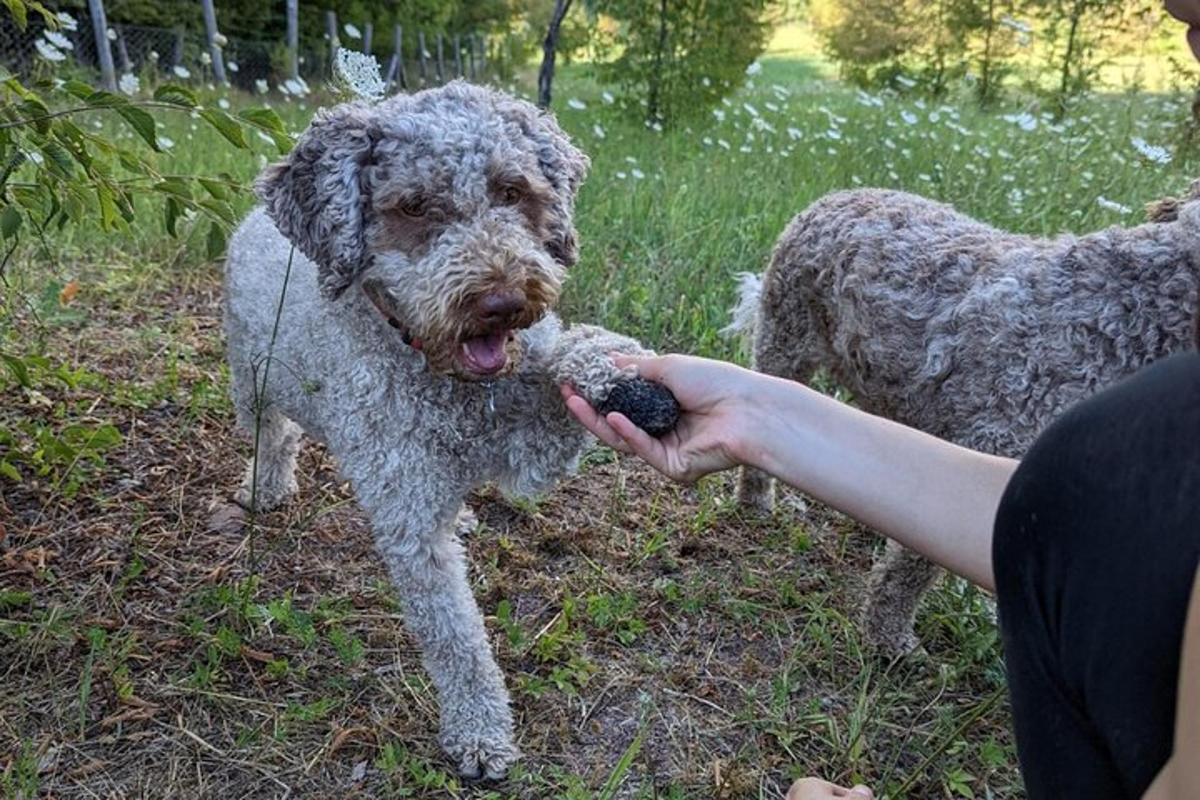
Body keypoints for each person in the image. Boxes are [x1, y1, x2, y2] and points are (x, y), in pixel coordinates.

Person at [560, 8, 1200, 794]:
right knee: (785, 356)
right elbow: (1049, 513)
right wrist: (761, 416)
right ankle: (758, 502)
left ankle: (877, 608)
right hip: (834, 262)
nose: (1179, 26)